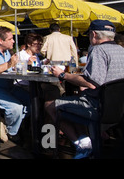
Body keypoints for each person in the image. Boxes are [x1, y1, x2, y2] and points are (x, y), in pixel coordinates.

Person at [46, 19, 124, 159]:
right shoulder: (121, 50)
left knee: (50, 105)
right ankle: (89, 137)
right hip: (119, 107)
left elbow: (92, 83)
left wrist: (63, 75)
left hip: (98, 108)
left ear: (93, 34)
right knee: (78, 97)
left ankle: (83, 145)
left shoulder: (98, 50)